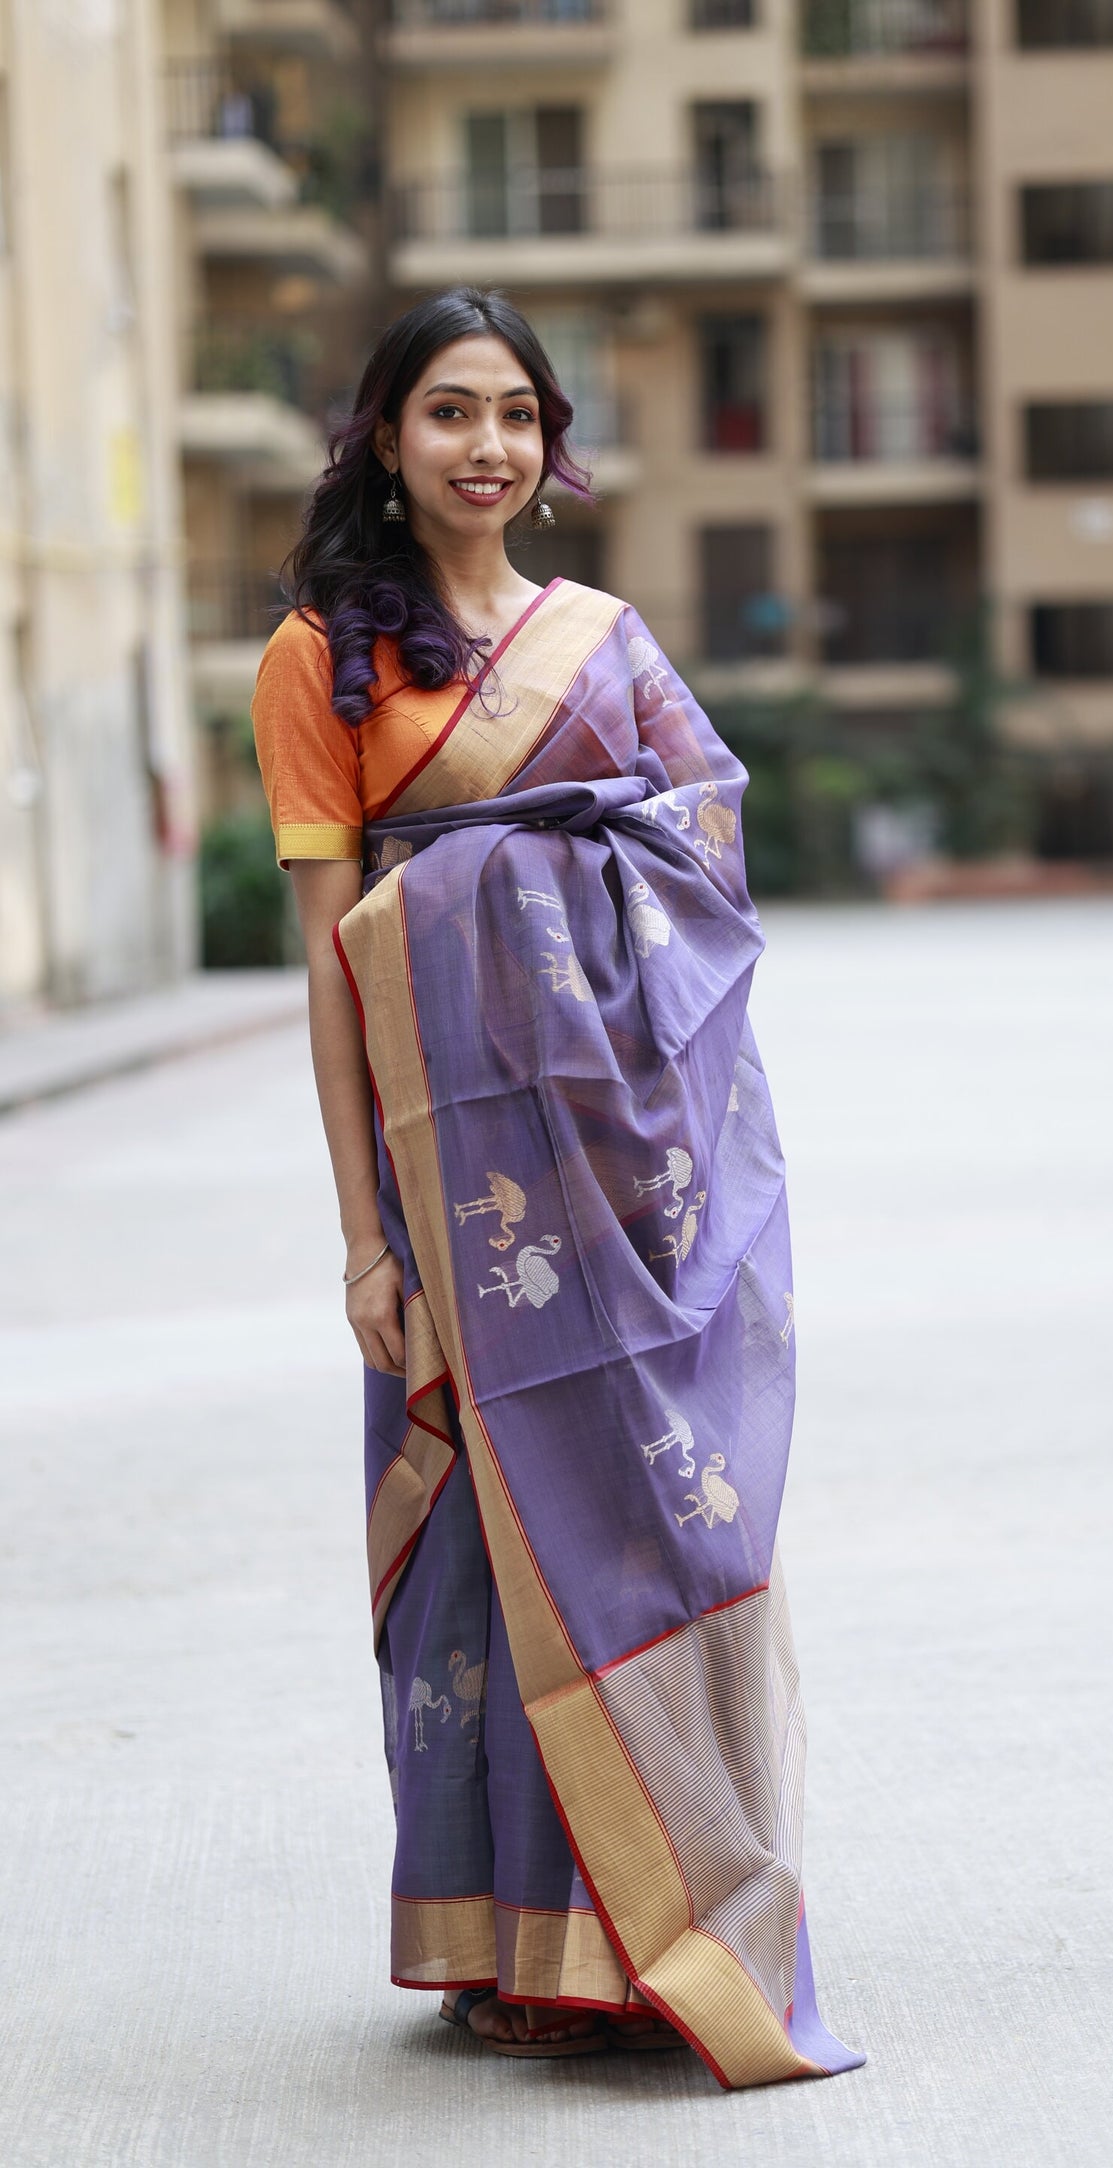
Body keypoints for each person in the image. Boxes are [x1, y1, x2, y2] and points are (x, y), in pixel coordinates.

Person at [250, 286, 861, 2088]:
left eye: (517, 412)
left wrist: (542, 875)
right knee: (477, 1543)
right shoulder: (321, 661)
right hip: (457, 1184)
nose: (487, 445)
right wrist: (362, 1235)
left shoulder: (603, 638)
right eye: (450, 410)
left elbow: (711, 854)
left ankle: (659, 1919)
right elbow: (333, 965)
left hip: (623, 1166)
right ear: (385, 436)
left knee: (658, 1512)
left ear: (551, 442)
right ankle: (512, 1938)